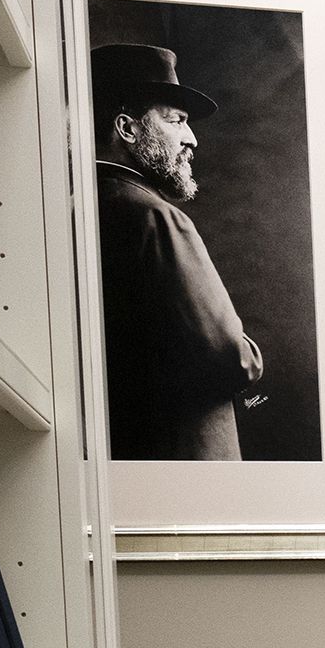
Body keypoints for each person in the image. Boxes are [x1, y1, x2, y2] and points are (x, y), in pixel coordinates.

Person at [91, 43, 262, 460]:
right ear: (127, 129)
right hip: (189, 467)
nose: (193, 139)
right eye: (177, 121)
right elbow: (229, 357)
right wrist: (251, 353)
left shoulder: (83, 209)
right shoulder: (153, 217)